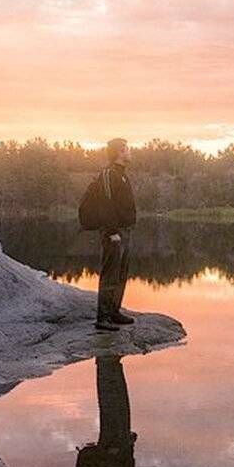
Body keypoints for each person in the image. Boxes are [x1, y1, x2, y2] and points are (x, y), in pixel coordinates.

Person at [92, 137, 138, 332]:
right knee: (110, 273)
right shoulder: (109, 174)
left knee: (121, 273)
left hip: (124, 231)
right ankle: (103, 318)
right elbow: (105, 204)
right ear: (119, 152)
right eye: (127, 149)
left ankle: (114, 312)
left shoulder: (122, 175)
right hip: (114, 233)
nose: (130, 152)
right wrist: (111, 231)